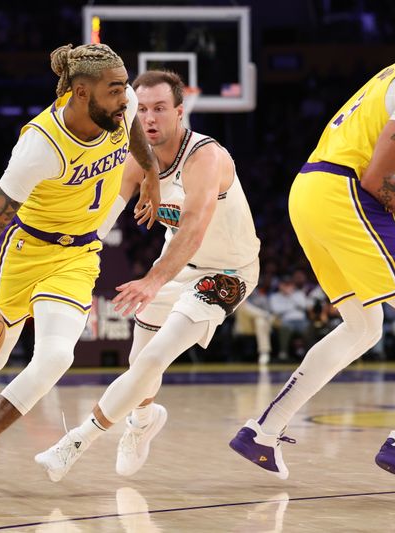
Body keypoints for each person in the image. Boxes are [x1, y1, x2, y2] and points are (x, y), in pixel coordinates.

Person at [229, 10, 395, 501]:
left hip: (308, 191)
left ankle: (263, 430)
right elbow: (376, 179)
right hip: (341, 190)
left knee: (363, 327)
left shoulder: (392, 75)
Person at [0, 43, 161, 518]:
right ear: (79, 91)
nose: (125, 98)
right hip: (26, 250)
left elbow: (134, 132)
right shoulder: (39, 146)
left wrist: (150, 171)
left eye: (123, 89)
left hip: (80, 255)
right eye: (114, 91)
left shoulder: (120, 105)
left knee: (55, 356)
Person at [34, 70, 260, 482]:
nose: (150, 119)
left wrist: (152, 280)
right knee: (139, 362)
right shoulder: (139, 160)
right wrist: (64, 256)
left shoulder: (206, 158)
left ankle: (77, 442)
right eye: (143, 111)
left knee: (155, 358)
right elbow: (103, 221)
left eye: (160, 109)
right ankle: (143, 421)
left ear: (179, 112)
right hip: (178, 268)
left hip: (228, 272)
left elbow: (192, 231)